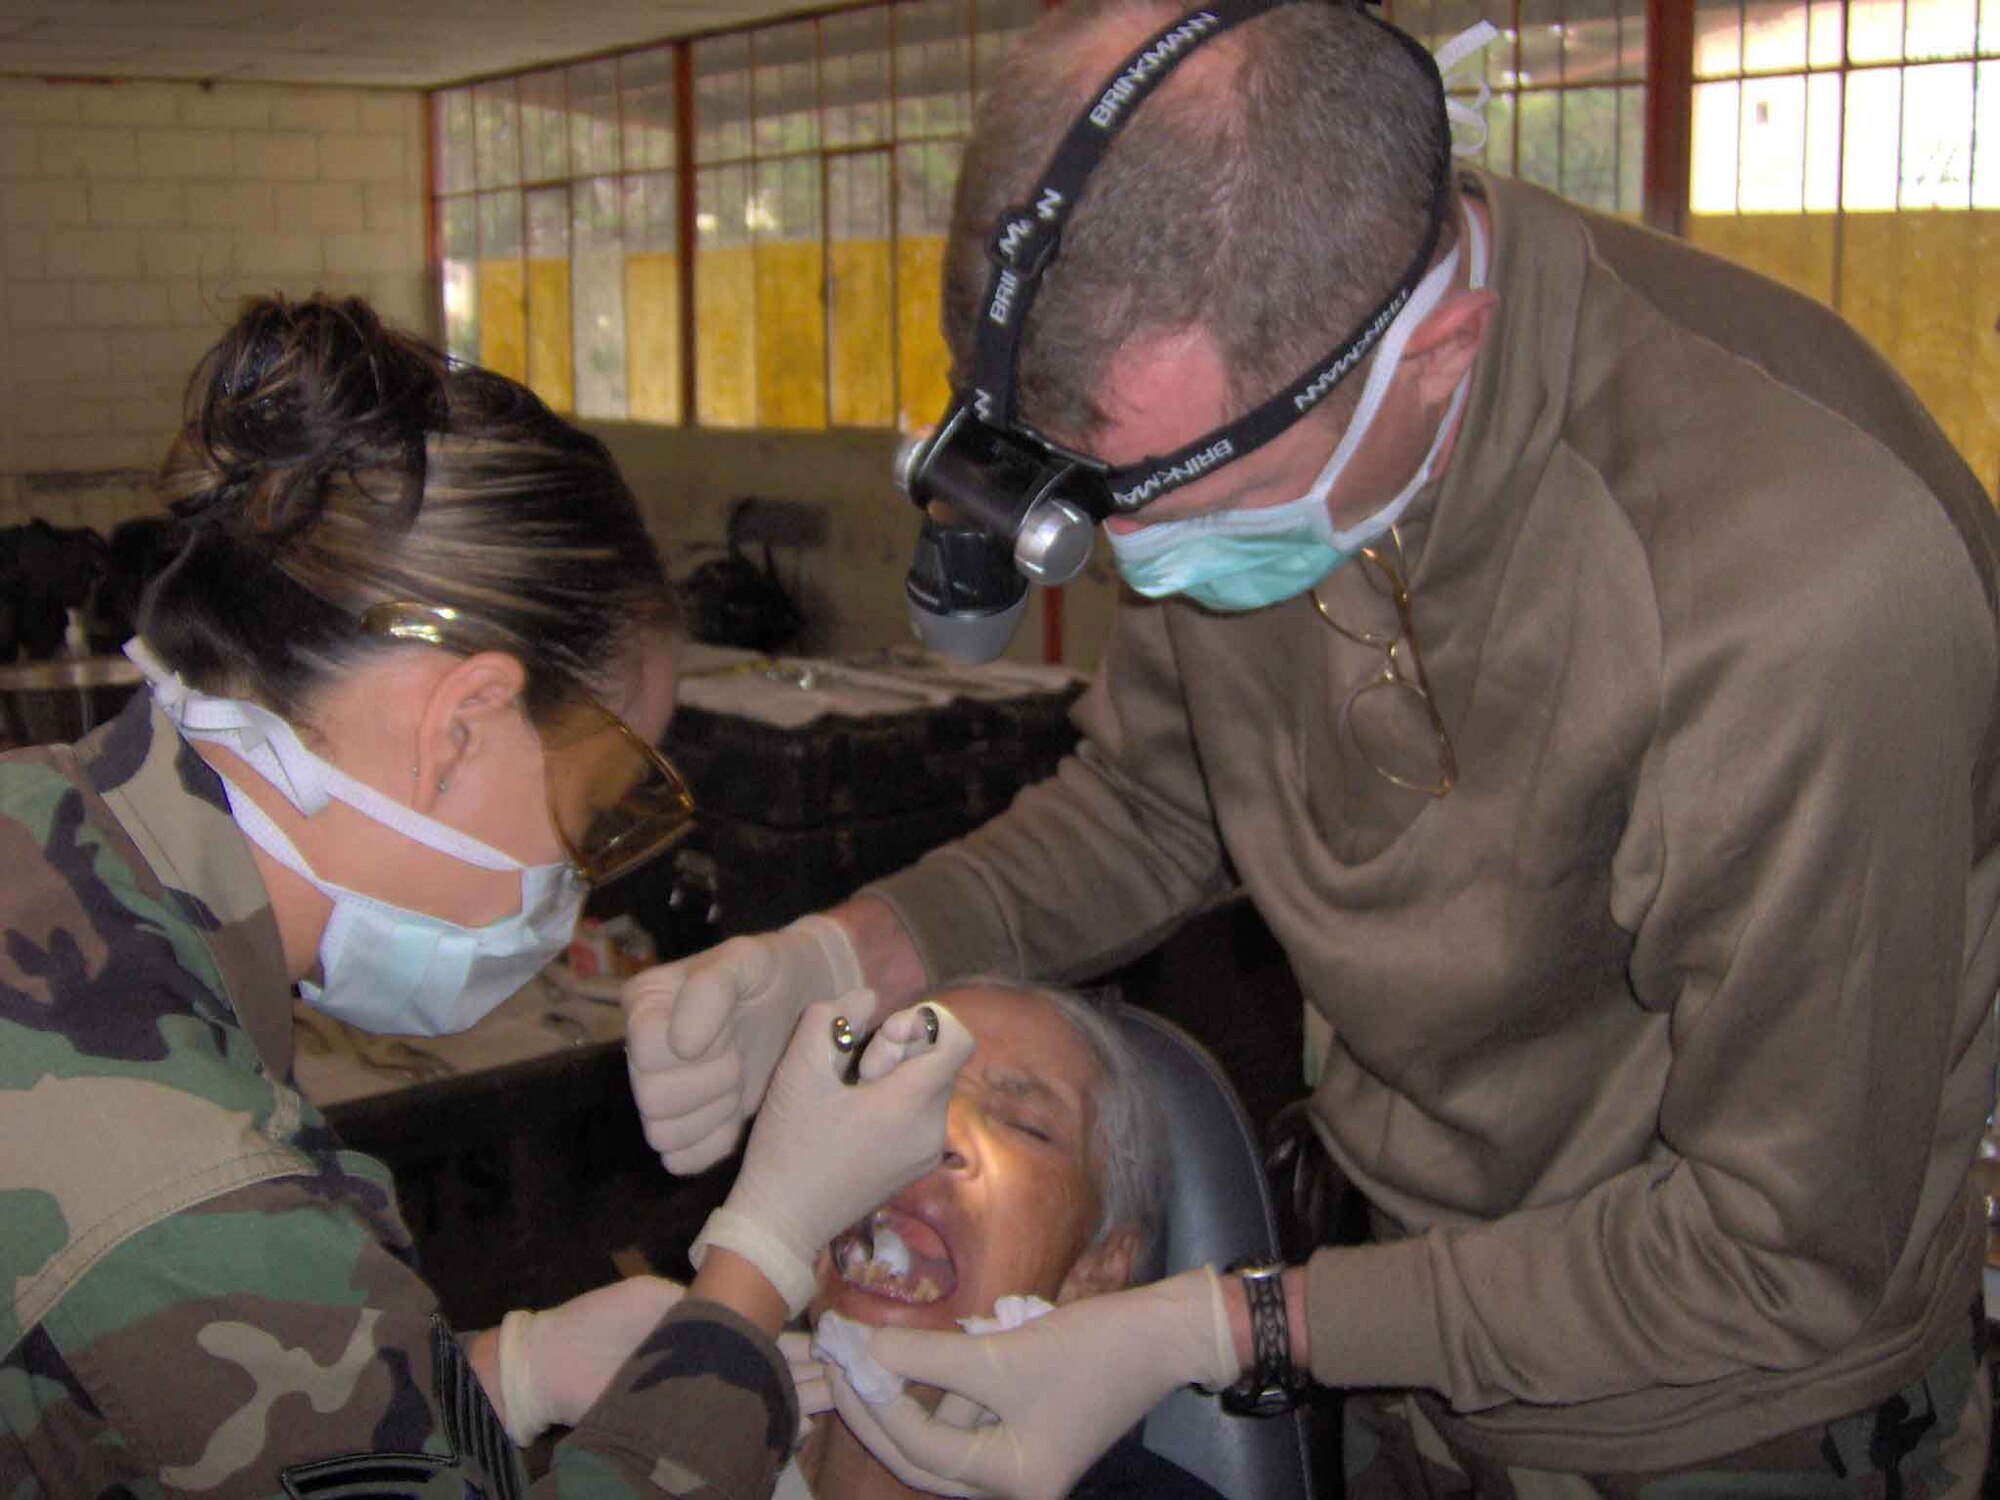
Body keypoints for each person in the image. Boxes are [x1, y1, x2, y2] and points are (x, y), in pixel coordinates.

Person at [624, 0, 2000, 1493]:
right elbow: (1159, 801)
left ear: (1439, 350)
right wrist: (843, 959)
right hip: (1405, 1338)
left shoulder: (1799, 591)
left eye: (1186, 511)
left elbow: (1781, 1251)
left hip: (1722, 1412)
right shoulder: (1262, 421)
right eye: (1102, 508)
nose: (1143, 574)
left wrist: (1218, 1332)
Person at [0, 295, 978, 1499]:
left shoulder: (47, 823)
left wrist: (493, 1377)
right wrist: (756, 1264)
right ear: (458, 727)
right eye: (593, 804)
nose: (576, 887)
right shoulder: (184, 1184)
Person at [761, 978, 1222, 1500]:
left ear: (1097, 1267)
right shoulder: (677, 1427)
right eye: (898, 1089)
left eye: (1024, 1125)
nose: (934, 1134)